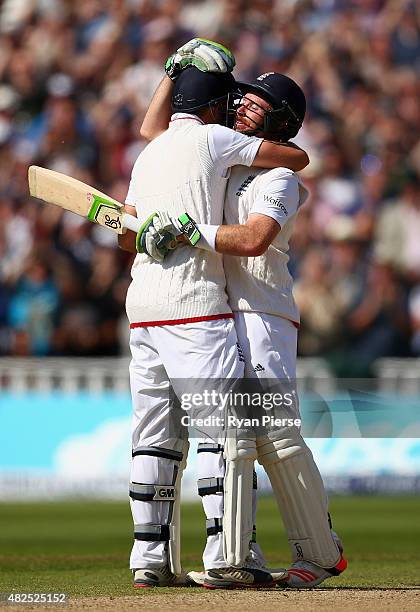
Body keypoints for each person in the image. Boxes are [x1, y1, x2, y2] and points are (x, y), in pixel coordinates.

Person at [139, 63, 348, 588]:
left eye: (259, 103)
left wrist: (190, 230)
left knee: (275, 435)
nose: (245, 105)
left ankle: (321, 554)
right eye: (244, 98)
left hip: (265, 315)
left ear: (281, 122)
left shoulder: (279, 177)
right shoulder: (221, 156)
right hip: (221, 312)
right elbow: (157, 136)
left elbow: (254, 238)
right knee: (233, 433)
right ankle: (233, 558)